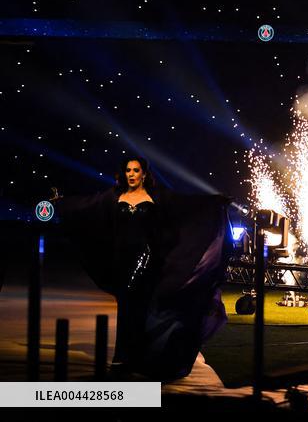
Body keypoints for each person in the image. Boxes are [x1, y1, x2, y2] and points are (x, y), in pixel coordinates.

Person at [57, 156, 229, 381]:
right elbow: (86, 204)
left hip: (147, 261)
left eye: (136, 170)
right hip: (121, 261)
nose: (131, 174)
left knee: (136, 308)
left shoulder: (157, 197)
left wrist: (215, 201)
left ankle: (127, 360)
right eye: (128, 170)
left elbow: (187, 204)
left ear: (144, 174)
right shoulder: (114, 196)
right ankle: (127, 359)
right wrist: (59, 203)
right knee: (128, 308)